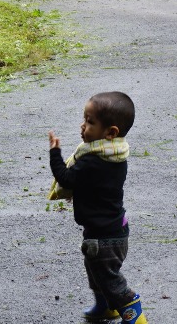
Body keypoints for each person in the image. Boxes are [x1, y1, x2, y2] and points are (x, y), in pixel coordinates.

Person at [48, 91, 146, 324]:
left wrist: (55, 153)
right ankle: (106, 308)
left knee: (110, 280)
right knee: (97, 275)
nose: (83, 126)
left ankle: (136, 316)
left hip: (104, 238)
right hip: (114, 230)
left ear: (111, 132)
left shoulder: (92, 160)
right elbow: (93, 185)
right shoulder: (115, 155)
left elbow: (66, 178)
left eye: (90, 122)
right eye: (84, 119)